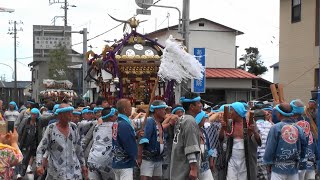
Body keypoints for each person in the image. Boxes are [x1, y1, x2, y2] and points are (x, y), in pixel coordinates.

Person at [36, 103, 88, 179]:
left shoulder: (73, 127)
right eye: (67, 113)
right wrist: (39, 165)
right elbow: (41, 148)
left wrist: (83, 165)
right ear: (60, 115)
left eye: (71, 112)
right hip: (56, 173)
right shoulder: (51, 129)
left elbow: (79, 148)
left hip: (74, 172)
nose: (70, 115)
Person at [264, 103, 307, 180]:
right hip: (293, 169)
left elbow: (270, 147)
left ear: (279, 114)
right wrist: (301, 159)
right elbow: (304, 146)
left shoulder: (275, 128)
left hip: (278, 169)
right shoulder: (299, 128)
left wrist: (268, 162)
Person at [219, 102, 261, 180]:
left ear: (238, 112)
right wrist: (222, 127)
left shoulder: (250, 122)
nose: (230, 113)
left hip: (246, 158)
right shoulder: (229, 123)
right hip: (232, 158)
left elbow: (258, 142)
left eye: (232, 110)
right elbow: (221, 139)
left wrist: (254, 131)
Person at [170, 92, 202, 180]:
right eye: (198, 103)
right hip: (184, 168)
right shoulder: (190, 121)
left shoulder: (181, 119)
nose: (201, 105)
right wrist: (193, 168)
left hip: (178, 166)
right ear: (191, 106)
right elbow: (190, 146)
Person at [138, 100, 168, 180]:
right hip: (148, 157)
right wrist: (139, 157)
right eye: (162, 109)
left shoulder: (159, 123)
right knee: (145, 177)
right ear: (156, 110)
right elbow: (142, 140)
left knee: (157, 178)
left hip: (158, 157)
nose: (164, 111)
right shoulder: (150, 121)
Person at [290, 100, 319, 180]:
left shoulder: (291, 128)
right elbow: (316, 150)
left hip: (299, 164)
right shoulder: (309, 130)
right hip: (310, 163)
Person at [87, 107, 117, 180]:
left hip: (92, 159)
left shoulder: (97, 126)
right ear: (111, 117)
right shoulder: (115, 126)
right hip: (106, 161)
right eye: (116, 114)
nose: (117, 116)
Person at [112, 99, 138, 180]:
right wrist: (135, 157)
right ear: (125, 110)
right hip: (125, 163)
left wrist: (136, 135)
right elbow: (128, 144)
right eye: (130, 107)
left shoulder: (116, 122)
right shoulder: (124, 124)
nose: (131, 109)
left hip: (117, 161)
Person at [16, 108, 42, 179]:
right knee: (23, 158)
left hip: (34, 144)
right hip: (24, 142)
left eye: (34, 114)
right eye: (32, 114)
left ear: (37, 115)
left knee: (28, 159)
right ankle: (20, 173)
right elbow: (20, 130)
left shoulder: (38, 122)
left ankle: (22, 172)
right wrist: (18, 140)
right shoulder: (26, 121)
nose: (33, 116)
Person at [162, 104, 184, 180]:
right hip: (169, 153)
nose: (180, 114)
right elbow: (161, 127)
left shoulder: (185, 122)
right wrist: (170, 118)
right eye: (178, 112)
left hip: (181, 155)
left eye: (182, 112)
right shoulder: (169, 123)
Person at [195, 111, 215, 180]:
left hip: (205, 164)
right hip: (196, 164)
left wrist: (211, 159)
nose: (205, 119)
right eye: (204, 118)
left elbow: (209, 146)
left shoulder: (203, 131)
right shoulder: (193, 131)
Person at [254, 109, 272, 180]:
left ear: (254, 118)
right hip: (267, 158)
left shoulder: (253, 126)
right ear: (264, 117)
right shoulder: (270, 125)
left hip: (256, 157)